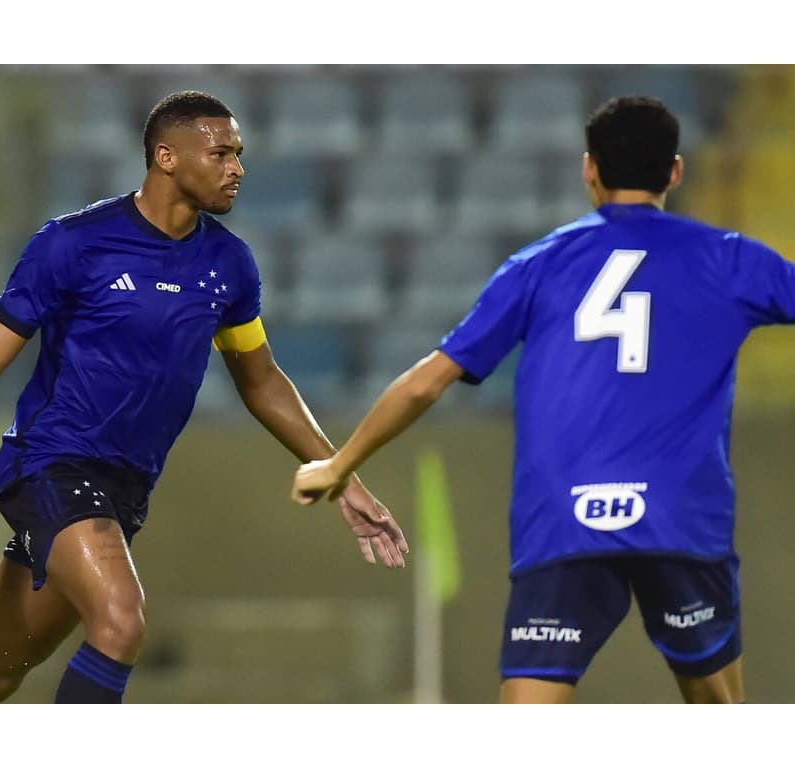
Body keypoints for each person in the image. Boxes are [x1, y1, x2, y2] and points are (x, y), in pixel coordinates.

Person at [0, 90, 408, 704]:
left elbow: (262, 381)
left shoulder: (230, 264)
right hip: (49, 465)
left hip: (125, 490)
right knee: (121, 622)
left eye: (239, 155)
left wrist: (342, 472)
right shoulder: (72, 244)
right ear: (166, 157)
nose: (237, 169)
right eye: (220, 153)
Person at [291, 96, 795, 704]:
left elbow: (427, 380)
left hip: (565, 519)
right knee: (718, 710)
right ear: (676, 172)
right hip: (680, 517)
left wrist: (338, 465)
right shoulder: (731, 258)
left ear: (590, 169)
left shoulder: (538, 264)